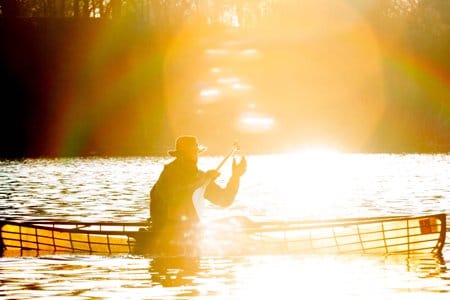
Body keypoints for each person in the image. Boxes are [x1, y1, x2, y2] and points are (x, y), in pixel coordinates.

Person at [149, 136, 246, 235]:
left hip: (191, 234)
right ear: (180, 155)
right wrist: (203, 180)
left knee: (239, 220)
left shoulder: (200, 177)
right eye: (191, 152)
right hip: (167, 233)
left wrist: (236, 176)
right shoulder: (169, 175)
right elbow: (176, 196)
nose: (195, 156)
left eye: (195, 152)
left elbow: (225, 200)